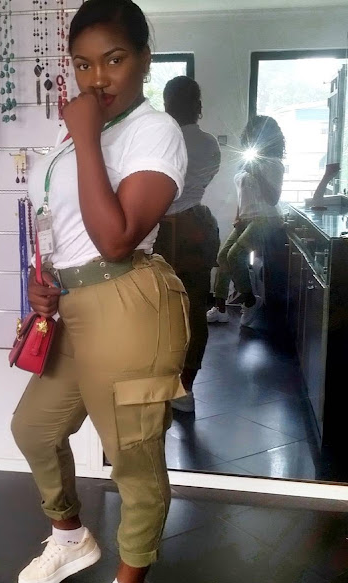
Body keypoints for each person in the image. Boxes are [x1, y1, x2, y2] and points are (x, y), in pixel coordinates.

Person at [11, 1, 189, 583]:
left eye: (113, 59)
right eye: (83, 64)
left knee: (133, 457)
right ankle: (71, 538)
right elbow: (65, 227)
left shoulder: (153, 130)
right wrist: (46, 281)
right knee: (34, 428)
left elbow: (115, 240)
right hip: (72, 305)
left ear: (144, 58)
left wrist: (86, 135)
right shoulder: (78, 137)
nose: (97, 78)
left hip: (128, 303)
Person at [154, 76, 221, 413]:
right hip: (197, 227)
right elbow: (202, 180)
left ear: (167, 105)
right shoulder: (210, 144)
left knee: (156, 310)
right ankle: (186, 388)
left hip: (160, 232)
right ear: (198, 105)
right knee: (194, 311)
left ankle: (156, 382)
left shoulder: (159, 139)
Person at [207, 115, 285, 327]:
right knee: (222, 256)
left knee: (235, 255)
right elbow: (242, 193)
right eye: (251, 135)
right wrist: (237, 216)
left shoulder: (274, 164)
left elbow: (273, 198)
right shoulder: (247, 161)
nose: (252, 139)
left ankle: (250, 301)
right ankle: (220, 309)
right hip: (246, 218)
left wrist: (257, 172)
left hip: (266, 220)